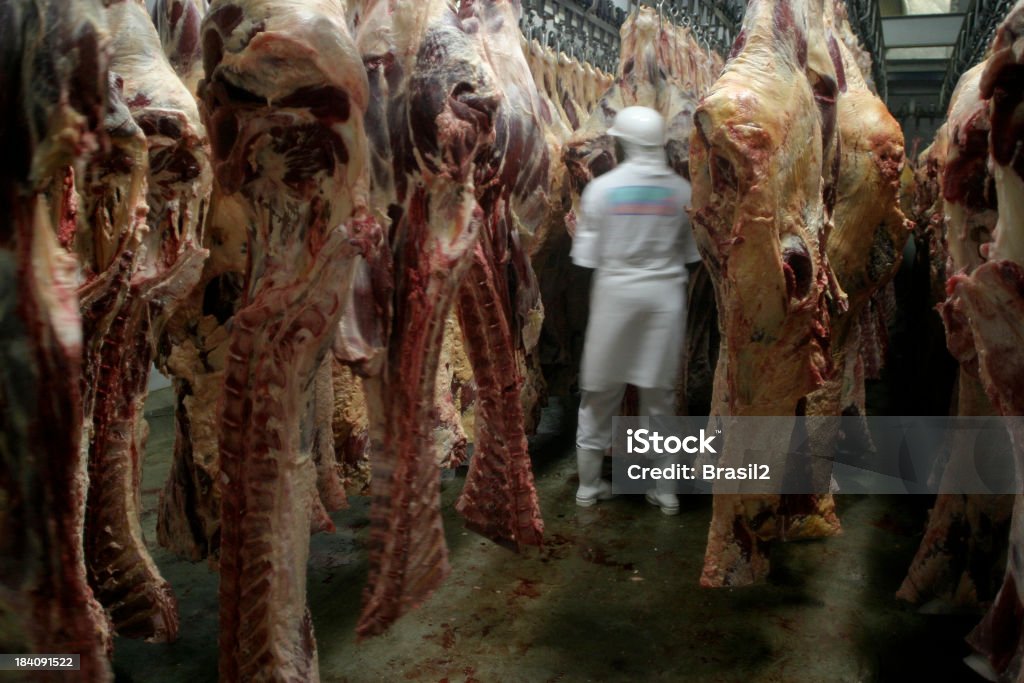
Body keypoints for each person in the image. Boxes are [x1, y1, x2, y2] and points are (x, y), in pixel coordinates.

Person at [570, 105, 701, 515]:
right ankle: (665, 492)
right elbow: (690, 254)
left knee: (599, 394)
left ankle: (589, 487)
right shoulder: (682, 192)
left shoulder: (602, 191)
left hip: (615, 296)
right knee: (659, 398)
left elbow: (585, 258)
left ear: (623, 142)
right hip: (664, 298)